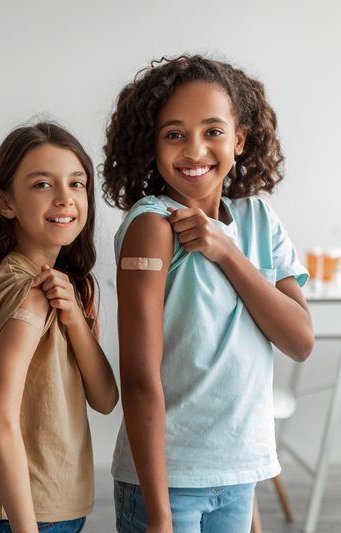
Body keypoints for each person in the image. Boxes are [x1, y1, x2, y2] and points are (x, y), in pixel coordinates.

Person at [102, 55, 313, 532]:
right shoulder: (153, 226)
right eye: (174, 134)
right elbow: (138, 379)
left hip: (238, 473)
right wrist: (158, 516)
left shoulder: (259, 221)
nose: (195, 150)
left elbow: (299, 340)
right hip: (167, 482)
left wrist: (228, 252)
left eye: (212, 131)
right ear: (151, 145)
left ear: (239, 138)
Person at [0, 122, 118, 532]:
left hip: (57, 511)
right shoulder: (25, 291)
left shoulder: (60, 287)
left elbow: (105, 397)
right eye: (43, 184)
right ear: (6, 203)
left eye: (77, 184)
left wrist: (76, 318)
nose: (65, 198)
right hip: (20, 518)